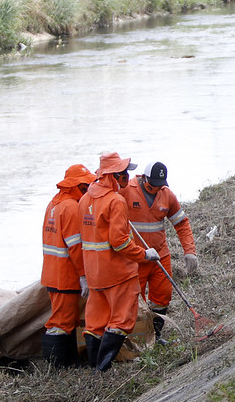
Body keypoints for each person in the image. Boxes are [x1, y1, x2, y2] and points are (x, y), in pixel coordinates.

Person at [79, 151, 160, 372]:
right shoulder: (115, 200)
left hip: (95, 274)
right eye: (123, 172)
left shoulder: (86, 199)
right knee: (121, 320)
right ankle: (102, 367)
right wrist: (145, 255)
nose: (126, 176)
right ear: (113, 175)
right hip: (118, 273)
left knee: (95, 323)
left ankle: (95, 366)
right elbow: (120, 242)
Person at [122, 161, 198, 344]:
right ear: (144, 178)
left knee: (162, 296)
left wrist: (189, 251)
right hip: (135, 257)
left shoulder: (166, 195)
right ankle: (136, 339)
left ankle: (155, 336)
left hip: (159, 256)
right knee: (134, 301)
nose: (156, 189)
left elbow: (181, 223)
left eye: (159, 185)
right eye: (152, 185)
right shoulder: (125, 191)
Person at [40, 163, 97, 368]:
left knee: (66, 321)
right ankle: (58, 367)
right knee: (61, 323)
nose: (88, 190)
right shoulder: (71, 207)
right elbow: (75, 246)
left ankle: (69, 362)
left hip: (52, 274)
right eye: (85, 186)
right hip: (65, 276)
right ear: (76, 186)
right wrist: (84, 276)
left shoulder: (53, 204)